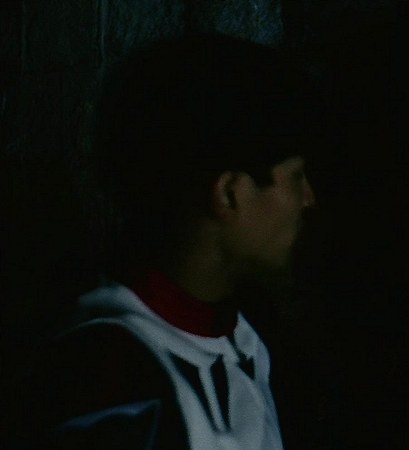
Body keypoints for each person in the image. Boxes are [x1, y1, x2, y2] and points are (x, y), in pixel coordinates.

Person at [4, 32, 319, 449]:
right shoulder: (107, 380)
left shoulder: (245, 341)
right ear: (229, 194)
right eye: (295, 177)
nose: (308, 198)